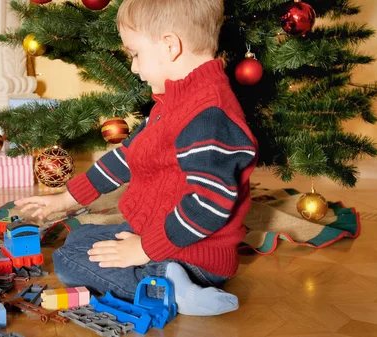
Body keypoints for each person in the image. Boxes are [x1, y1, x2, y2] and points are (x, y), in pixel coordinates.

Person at [15, 0, 258, 316]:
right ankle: (162, 272)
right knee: (81, 237)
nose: (133, 67)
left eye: (135, 54)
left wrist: (145, 249)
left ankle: (170, 287)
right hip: (163, 237)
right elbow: (128, 156)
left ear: (169, 45)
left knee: (68, 261)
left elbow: (209, 205)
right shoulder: (173, 101)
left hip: (196, 256)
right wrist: (66, 199)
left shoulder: (207, 115)